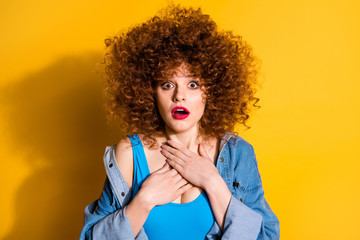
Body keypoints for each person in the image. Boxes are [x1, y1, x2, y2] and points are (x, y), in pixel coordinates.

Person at [80, 4, 280, 240]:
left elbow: (266, 236)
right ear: (149, 92)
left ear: (211, 91)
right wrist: (143, 201)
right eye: (167, 84)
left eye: (192, 84)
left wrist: (213, 182)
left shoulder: (237, 154)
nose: (179, 96)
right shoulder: (129, 154)